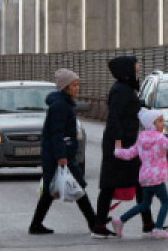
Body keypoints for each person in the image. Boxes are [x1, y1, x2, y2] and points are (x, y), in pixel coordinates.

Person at [28, 69, 115, 238]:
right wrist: (61, 157)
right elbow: (56, 133)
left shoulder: (63, 103)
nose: (77, 89)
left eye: (77, 85)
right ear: (65, 87)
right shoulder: (60, 106)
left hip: (60, 154)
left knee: (57, 190)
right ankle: (93, 222)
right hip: (58, 155)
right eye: (73, 85)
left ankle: (37, 224)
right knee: (75, 187)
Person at [96, 56, 156, 233]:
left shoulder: (126, 89)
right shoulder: (120, 91)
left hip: (127, 143)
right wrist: (119, 145)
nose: (137, 70)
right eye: (135, 68)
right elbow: (115, 119)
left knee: (139, 182)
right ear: (126, 70)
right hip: (119, 145)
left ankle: (148, 223)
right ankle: (98, 225)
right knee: (109, 184)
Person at [111, 109, 168, 239]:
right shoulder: (159, 138)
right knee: (166, 202)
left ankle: (120, 220)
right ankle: (158, 229)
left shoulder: (142, 138)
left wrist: (118, 151)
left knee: (145, 204)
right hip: (157, 177)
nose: (162, 123)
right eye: (159, 121)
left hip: (145, 178)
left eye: (162, 120)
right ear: (151, 124)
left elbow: (130, 153)